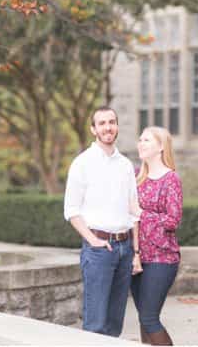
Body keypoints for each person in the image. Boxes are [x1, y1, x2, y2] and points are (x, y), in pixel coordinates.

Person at [63, 106, 142, 337]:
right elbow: (71, 211)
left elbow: (133, 211)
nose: (108, 127)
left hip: (125, 249)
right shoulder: (82, 163)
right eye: (102, 123)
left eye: (112, 122)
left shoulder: (126, 165)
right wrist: (93, 240)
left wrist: (135, 251)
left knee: (115, 324)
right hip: (98, 250)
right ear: (93, 129)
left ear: (117, 126)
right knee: (95, 324)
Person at [131, 126, 183, 346]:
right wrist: (134, 253)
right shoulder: (136, 177)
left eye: (147, 140)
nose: (140, 143)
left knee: (149, 318)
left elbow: (173, 220)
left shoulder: (171, 179)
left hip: (162, 258)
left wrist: (143, 213)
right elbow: (130, 218)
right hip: (137, 258)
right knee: (144, 320)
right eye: (140, 139)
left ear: (161, 147)